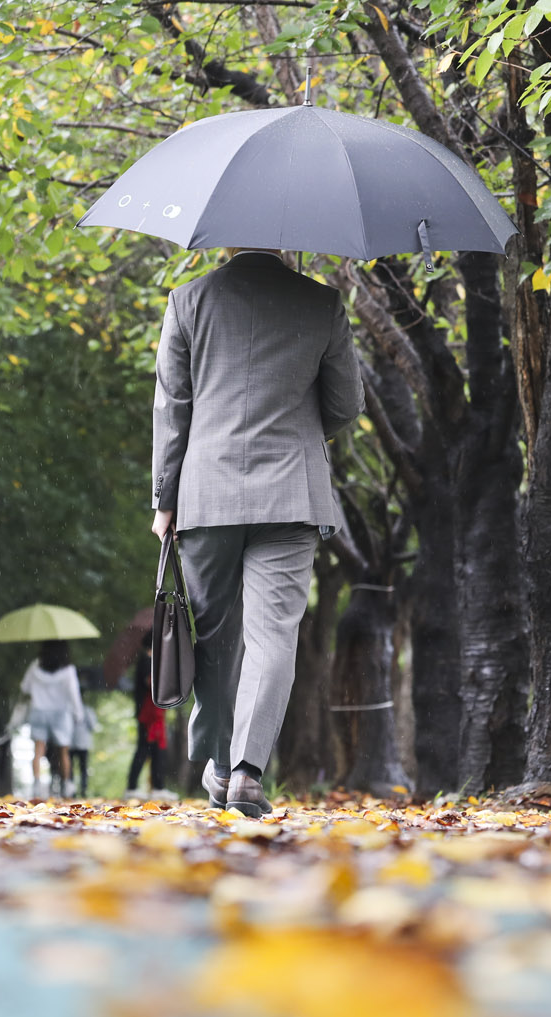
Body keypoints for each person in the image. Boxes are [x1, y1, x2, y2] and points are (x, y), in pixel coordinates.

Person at [150, 247, 361, 817]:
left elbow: (174, 408)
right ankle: (245, 769)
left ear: (224, 238)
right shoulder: (324, 303)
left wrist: (163, 500)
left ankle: (218, 761)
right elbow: (347, 404)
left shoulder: (188, 301)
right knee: (274, 637)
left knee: (215, 637)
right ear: (288, 241)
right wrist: (299, 425)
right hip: (292, 495)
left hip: (207, 495)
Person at [19, 640, 81, 798]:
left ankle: (36, 786)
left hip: (38, 710)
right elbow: (73, 694)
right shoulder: (68, 670)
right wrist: (78, 714)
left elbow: (24, 687)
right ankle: (66, 785)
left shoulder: (36, 666)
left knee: (38, 750)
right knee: (63, 752)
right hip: (61, 713)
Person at [126, 633, 168, 797]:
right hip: (148, 713)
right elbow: (151, 683)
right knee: (144, 748)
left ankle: (157, 787)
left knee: (155, 749)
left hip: (150, 712)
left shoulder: (147, 660)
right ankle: (133, 788)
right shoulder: (146, 661)